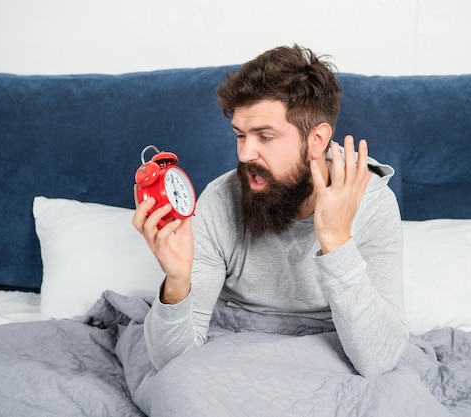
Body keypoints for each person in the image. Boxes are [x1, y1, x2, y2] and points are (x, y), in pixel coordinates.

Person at [132, 44, 409, 378]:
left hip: (332, 355)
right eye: (240, 136)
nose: (246, 154)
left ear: (317, 139)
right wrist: (176, 282)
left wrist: (337, 241)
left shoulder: (372, 204)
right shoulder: (220, 201)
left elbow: (378, 360)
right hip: (234, 354)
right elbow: (171, 363)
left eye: (264, 136)